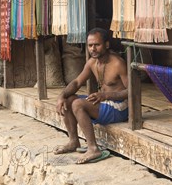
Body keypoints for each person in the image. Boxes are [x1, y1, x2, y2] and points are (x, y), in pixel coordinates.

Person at [54, 28, 128, 164]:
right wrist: (61, 96)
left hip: (119, 108)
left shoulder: (118, 63)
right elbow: (76, 82)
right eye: (90, 45)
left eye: (97, 45)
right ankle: (73, 141)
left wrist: (106, 95)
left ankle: (93, 148)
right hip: (105, 103)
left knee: (77, 104)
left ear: (106, 45)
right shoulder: (92, 62)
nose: (93, 49)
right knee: (69, 99)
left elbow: (132, 91)